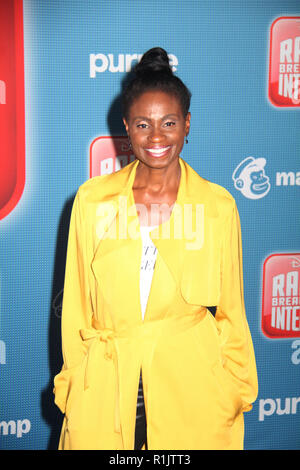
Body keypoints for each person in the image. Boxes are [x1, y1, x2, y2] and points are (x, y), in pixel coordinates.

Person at [53, 47, 258, 450]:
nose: (157, 137)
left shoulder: (217, 207)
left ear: (187, 125)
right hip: (106, 390)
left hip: (195, 393)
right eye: (143, 125)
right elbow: (75, 306)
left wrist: (235, 391)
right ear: (126, 128)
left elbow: (233, 312)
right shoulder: (93, 201)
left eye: (168, 123)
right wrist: (74, 385)